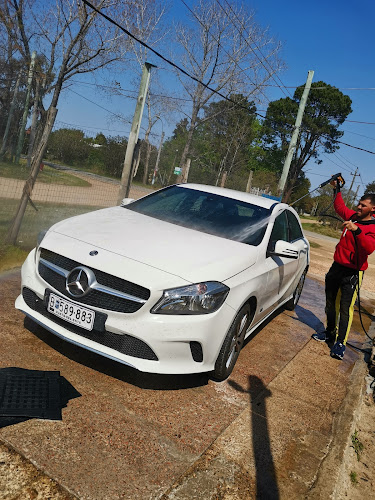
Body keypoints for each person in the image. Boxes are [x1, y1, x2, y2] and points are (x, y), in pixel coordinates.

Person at [312, 182, 375, 359]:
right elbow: (340, 207)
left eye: (363, 205)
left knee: (345, 309)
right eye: (359, 204)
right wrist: (336, 189)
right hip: (337, 267)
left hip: (353, 273)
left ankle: (341, 343)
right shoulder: (353, 216)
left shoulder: (372, 227)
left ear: (373, 208)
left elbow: (369, 248)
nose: (359, 207)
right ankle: (329, 332)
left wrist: (357, 230)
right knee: (331, 303)